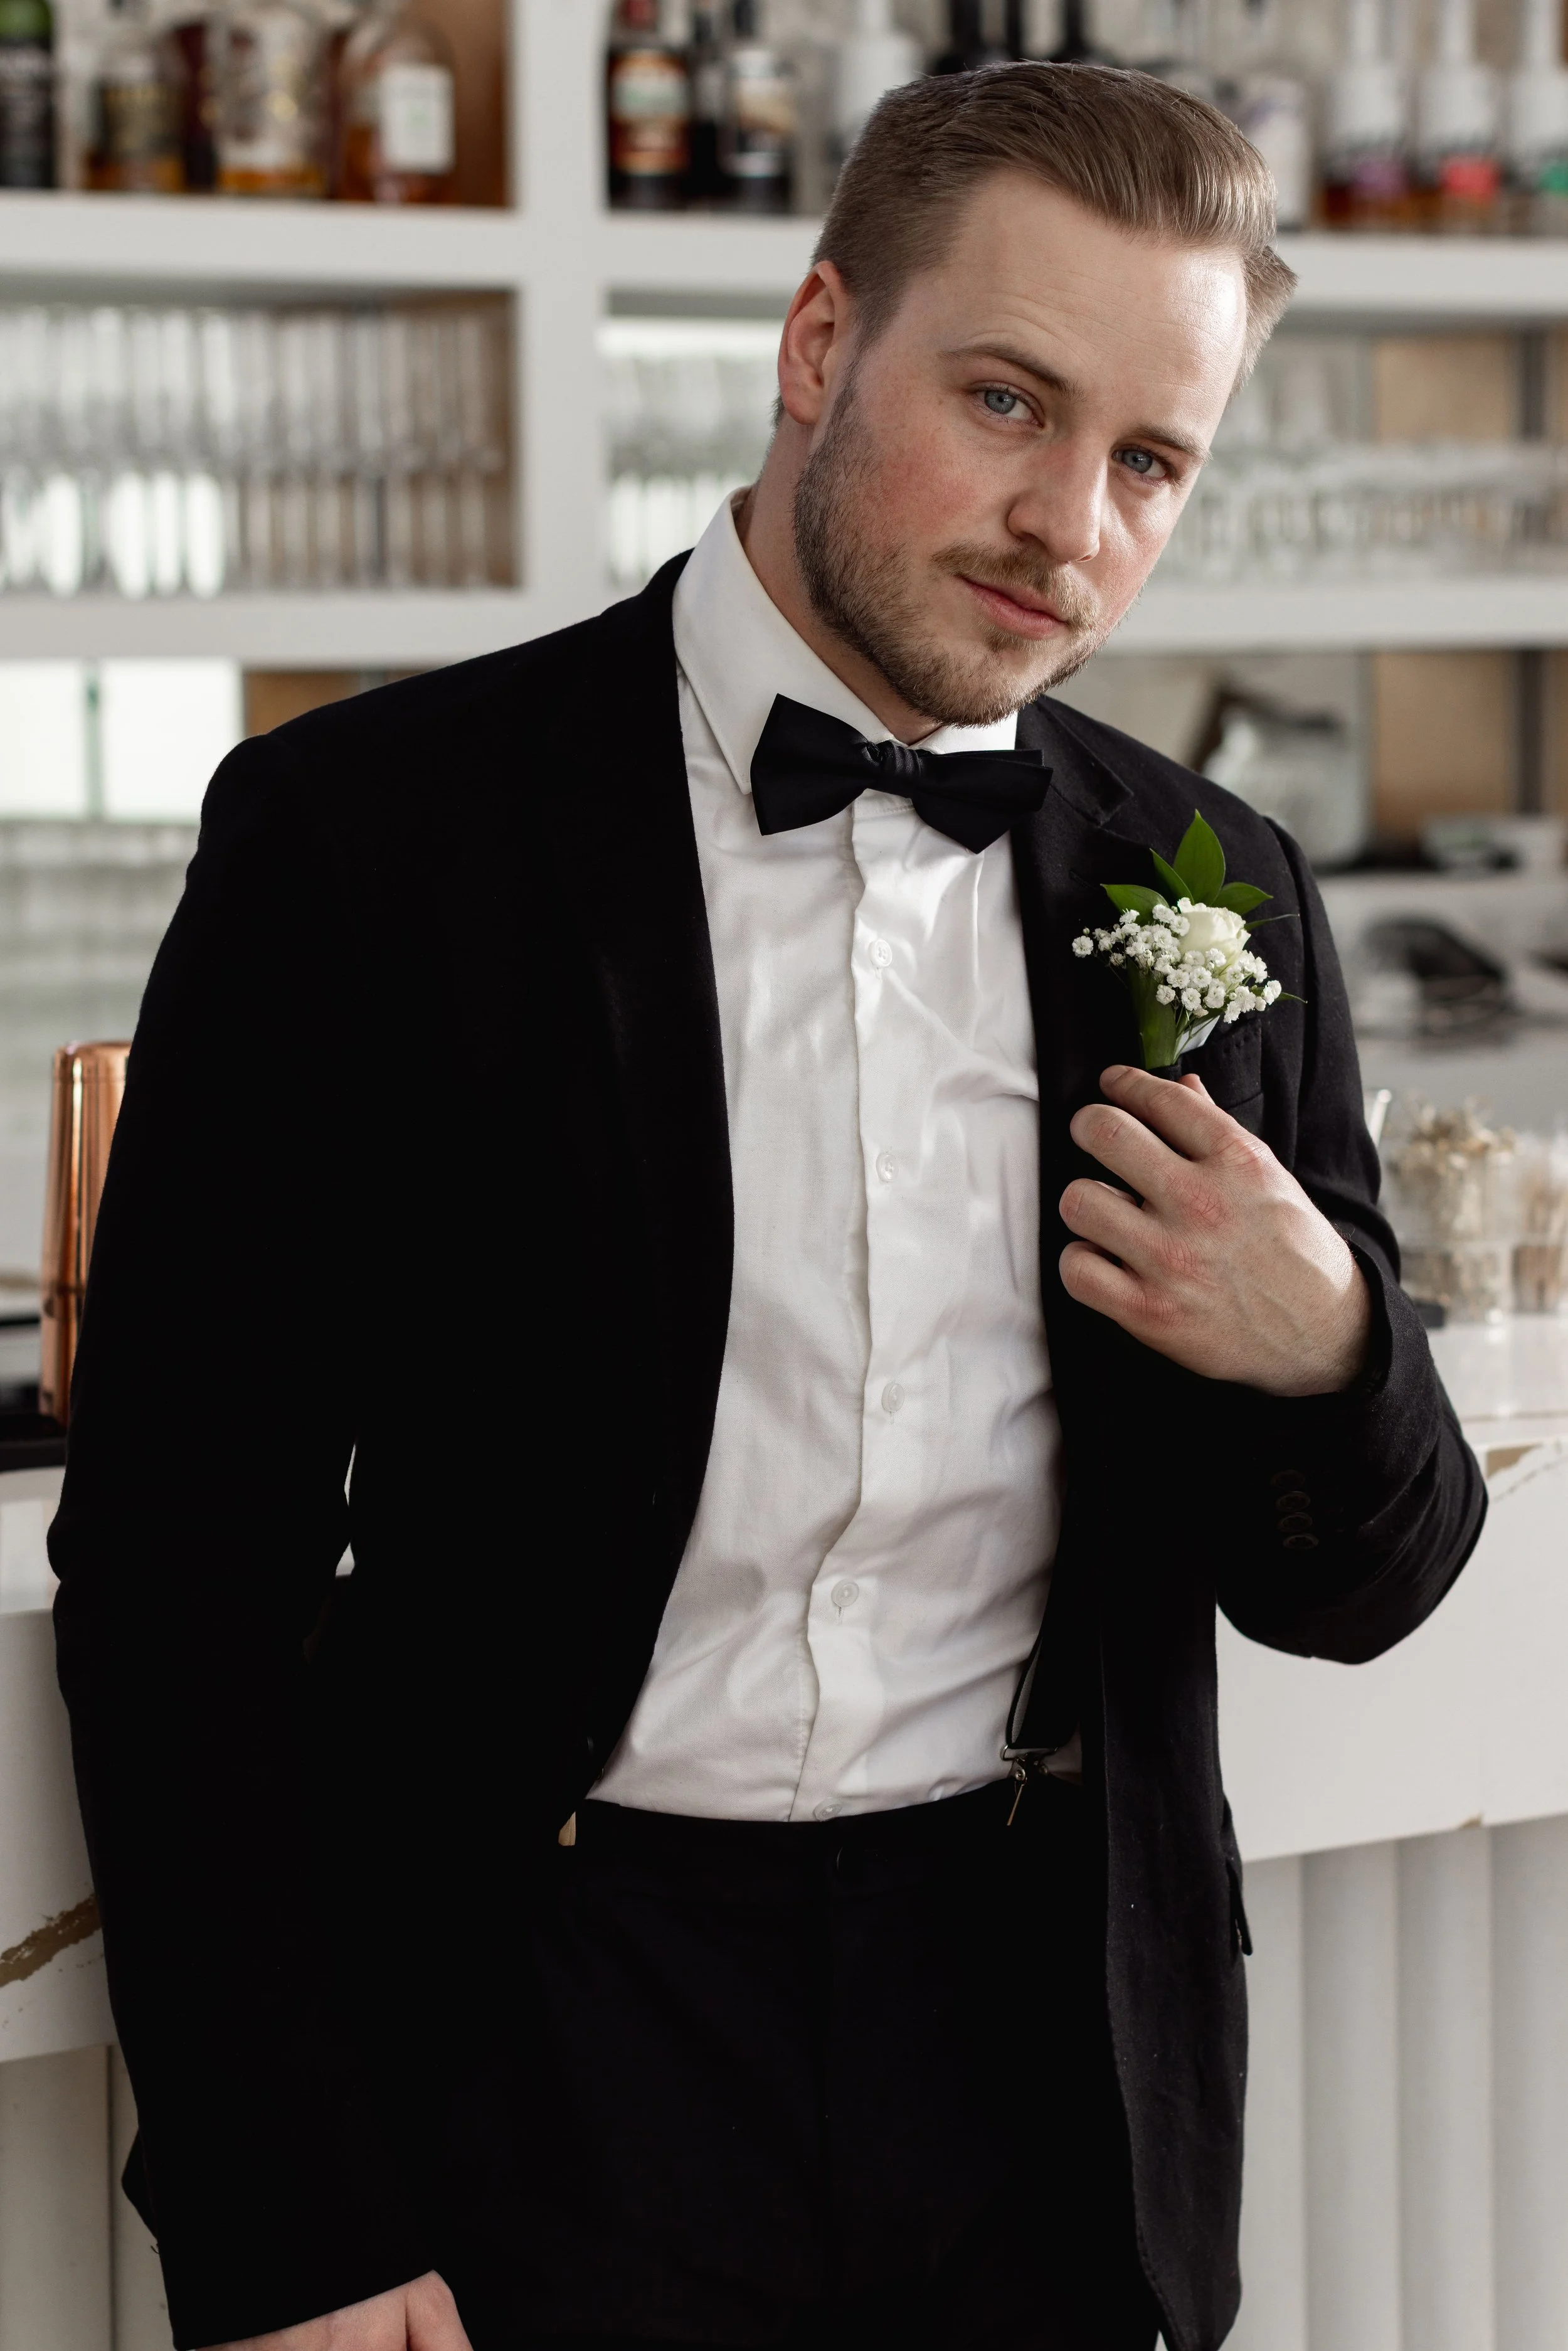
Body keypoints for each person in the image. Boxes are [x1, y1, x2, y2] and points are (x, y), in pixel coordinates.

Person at [52, 61, 1484, 2351]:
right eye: (1005, 400)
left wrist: (1322, 1339)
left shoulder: (1213, 890)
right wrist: (284, 2201)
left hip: (1037, 2080)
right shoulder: (363, 845)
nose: (1067, 525)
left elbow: (1362, 1587)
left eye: (1147, 461)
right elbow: (171, 1571)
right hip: (536, 2046)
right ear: (820, 344)